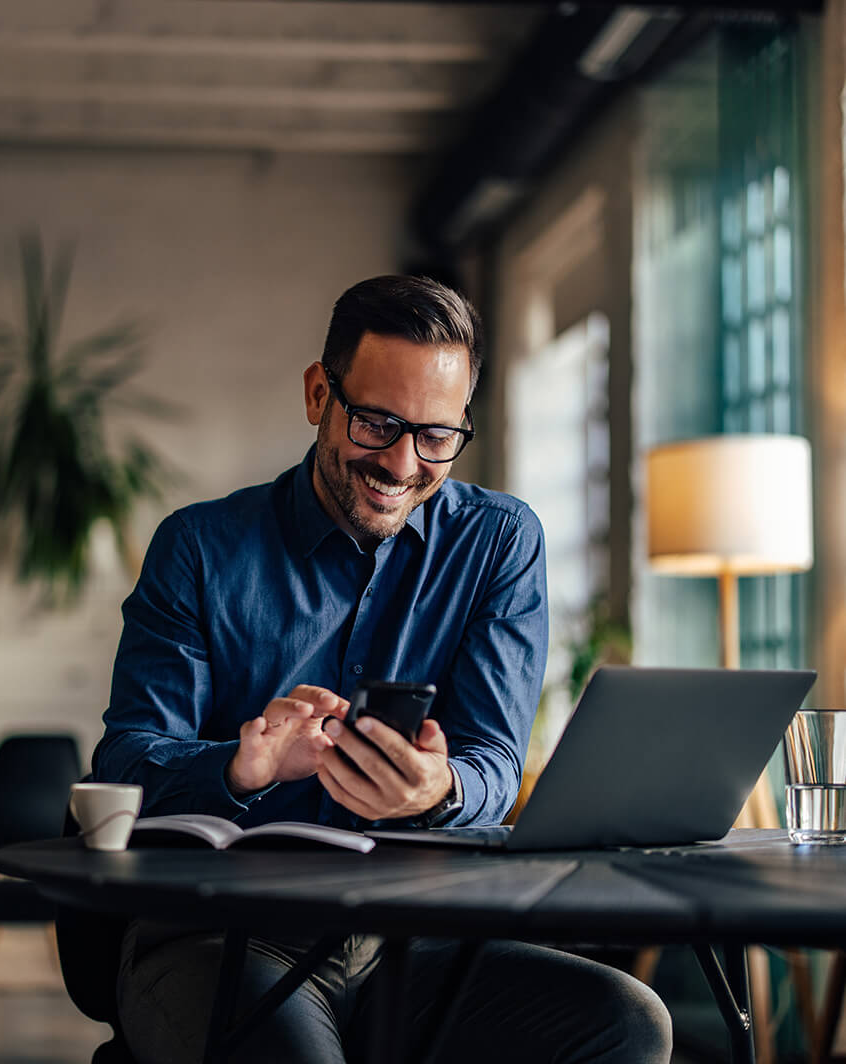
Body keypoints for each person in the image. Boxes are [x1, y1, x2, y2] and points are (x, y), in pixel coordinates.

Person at [92, 275, 672, 1063]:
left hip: (419, 940)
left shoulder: (499, 545)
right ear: (316, 395)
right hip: (220, 935)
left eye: (436, 435)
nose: (402, 463)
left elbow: (495, 761)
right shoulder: (198, 549)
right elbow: (126, 762)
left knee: (627, 1021)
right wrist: (243, 766)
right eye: (376, 423)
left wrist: (442, 790)